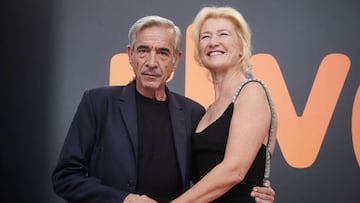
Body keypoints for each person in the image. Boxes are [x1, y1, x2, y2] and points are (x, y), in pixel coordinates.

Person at [52, 15, 275, 203]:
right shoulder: (98, 103)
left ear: (176, 60)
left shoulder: (193, 113)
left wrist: (254, 188)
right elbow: (65, 177)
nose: (151, 62)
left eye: (162, 52)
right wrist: (123, 199)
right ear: (130, 55)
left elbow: (216, 172)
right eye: (143, 51)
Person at [170, 6, 277, 203]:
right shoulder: (206, 111)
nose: (213, 42)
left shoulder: (252, 91)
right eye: (205, 37)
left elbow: (234, 171)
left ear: (242, 47)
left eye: (223, 34)